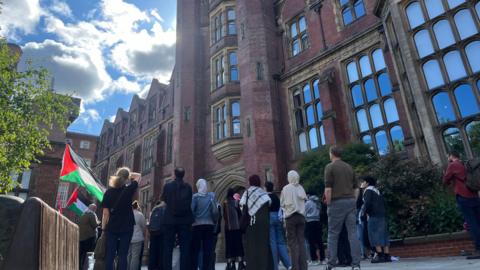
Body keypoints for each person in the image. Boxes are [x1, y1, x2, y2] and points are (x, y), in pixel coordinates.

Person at [324, 146, 361, 270]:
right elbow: (356, 188)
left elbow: (328, 189)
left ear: (332, 154)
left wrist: (329, 205)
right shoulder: (349, 167)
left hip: (336, 202)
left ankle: (331, 264)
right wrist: (353, 200)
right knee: (353, 233)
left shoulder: (330, 167)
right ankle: (356, 264)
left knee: (333, 234)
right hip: (350, 201)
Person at [101, 167, 141, 270]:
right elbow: (138, 176)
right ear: (127, 178)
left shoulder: (108, 192)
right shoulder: (129, 189)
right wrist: (128, 175)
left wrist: (103, 228)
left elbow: (105, 213)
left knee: (110, 254)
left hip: (112, 227)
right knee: (123, 255)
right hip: (126, 226)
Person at [443, 151, 480, 260]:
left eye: (448, 156)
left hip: (463, 196)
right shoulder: (465, 163)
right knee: (478, 221)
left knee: (472, 224)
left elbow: (445, 180)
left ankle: (479, 249)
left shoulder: (452, 165)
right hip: (474, 195)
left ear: (450, 156)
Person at [161, 167, 194, 270]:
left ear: (175, 174)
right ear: (183, 175)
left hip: (170, 219)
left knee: (168, 248)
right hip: (184, 220)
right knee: (185, 248)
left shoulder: (168, 186)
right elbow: (189, 202)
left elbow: (164, 199)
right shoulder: (188, 187)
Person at [240, 175, 273, 270]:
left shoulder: (247, 192)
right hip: (264, 223)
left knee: (252, 246)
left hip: (251, 223)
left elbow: (242, 205)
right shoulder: (263, 192)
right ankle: (266, 266)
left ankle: (253, 267)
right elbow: (269, 203)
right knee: (264, 245)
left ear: (250, 182)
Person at [360, 176, 391, 263]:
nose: (361, 183)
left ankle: (379, 255)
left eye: (362, 181)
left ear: (367, 183)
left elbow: (367, 203)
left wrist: (363, 213)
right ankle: (387, 255)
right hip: (382, 214)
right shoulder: (377, 190)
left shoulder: (368, 191)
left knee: (374, 234)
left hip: (373, 215)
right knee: (384, 234)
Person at [281, 170, 308, 270]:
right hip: (301, 217)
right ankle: (304, 267)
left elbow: (282, 204)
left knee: (293, 244)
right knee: (301, 241)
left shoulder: (285, 188)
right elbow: (305, 200)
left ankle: (295, 267)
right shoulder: (300, 187)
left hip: (290, 218)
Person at [191, 178, 219, 270]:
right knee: (208, 249)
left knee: (196, 249)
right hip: (209, 225)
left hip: (197, 226)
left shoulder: (195, 197)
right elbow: (214, 210)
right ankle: (206, 267)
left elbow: (191, 211)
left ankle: (196, 266)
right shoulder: (211, 196)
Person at [266, 181, 292, 270]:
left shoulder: (266, 197)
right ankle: (288, 264)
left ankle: (274, 266)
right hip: (278, 218)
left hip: (269, 218)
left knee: (272, 243)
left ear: (265, 188)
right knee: (281, 242)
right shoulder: (276, 197)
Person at [223, 188, 246, 270]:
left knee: (229, 246)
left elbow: (224, 216)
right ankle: (240, 263)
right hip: (236, 228)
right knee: (238, 245)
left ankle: (230, 264)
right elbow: (240, 215)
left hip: (228, 228)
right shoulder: (236, 202)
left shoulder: (225, 203)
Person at [305, 193, 325, 266]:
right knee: (320, 241)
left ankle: (314, 259)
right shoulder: (318, 202)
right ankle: (322, 259)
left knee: (311, 242)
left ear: (308, 195)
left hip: (310, 222)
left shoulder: (308, 202)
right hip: (317, 221)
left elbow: (304, 212)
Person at [79, 203, 99, 270]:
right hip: (89, 237)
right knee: (89, 254)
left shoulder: (83, 214)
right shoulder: (92, 214)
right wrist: (99, 222)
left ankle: (80, 267)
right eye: (95, 209)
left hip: (81, 238)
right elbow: (95, 225)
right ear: (93, 209)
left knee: (81, 254)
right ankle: (87, 267)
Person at [128, 201, 147, 270]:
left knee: (128, 256)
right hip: (138, 238)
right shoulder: (140, 215)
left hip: (128, 237)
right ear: (137, 207)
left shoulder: (128, 214)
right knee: (135, 257)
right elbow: (144, 226)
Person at [149, 201, 166, 270]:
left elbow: (150, 222)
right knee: (161, 252)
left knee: (152, 252)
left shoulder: (154, 208)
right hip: (162, 232)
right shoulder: (165, 208)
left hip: (153, 232)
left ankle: (151, 267)